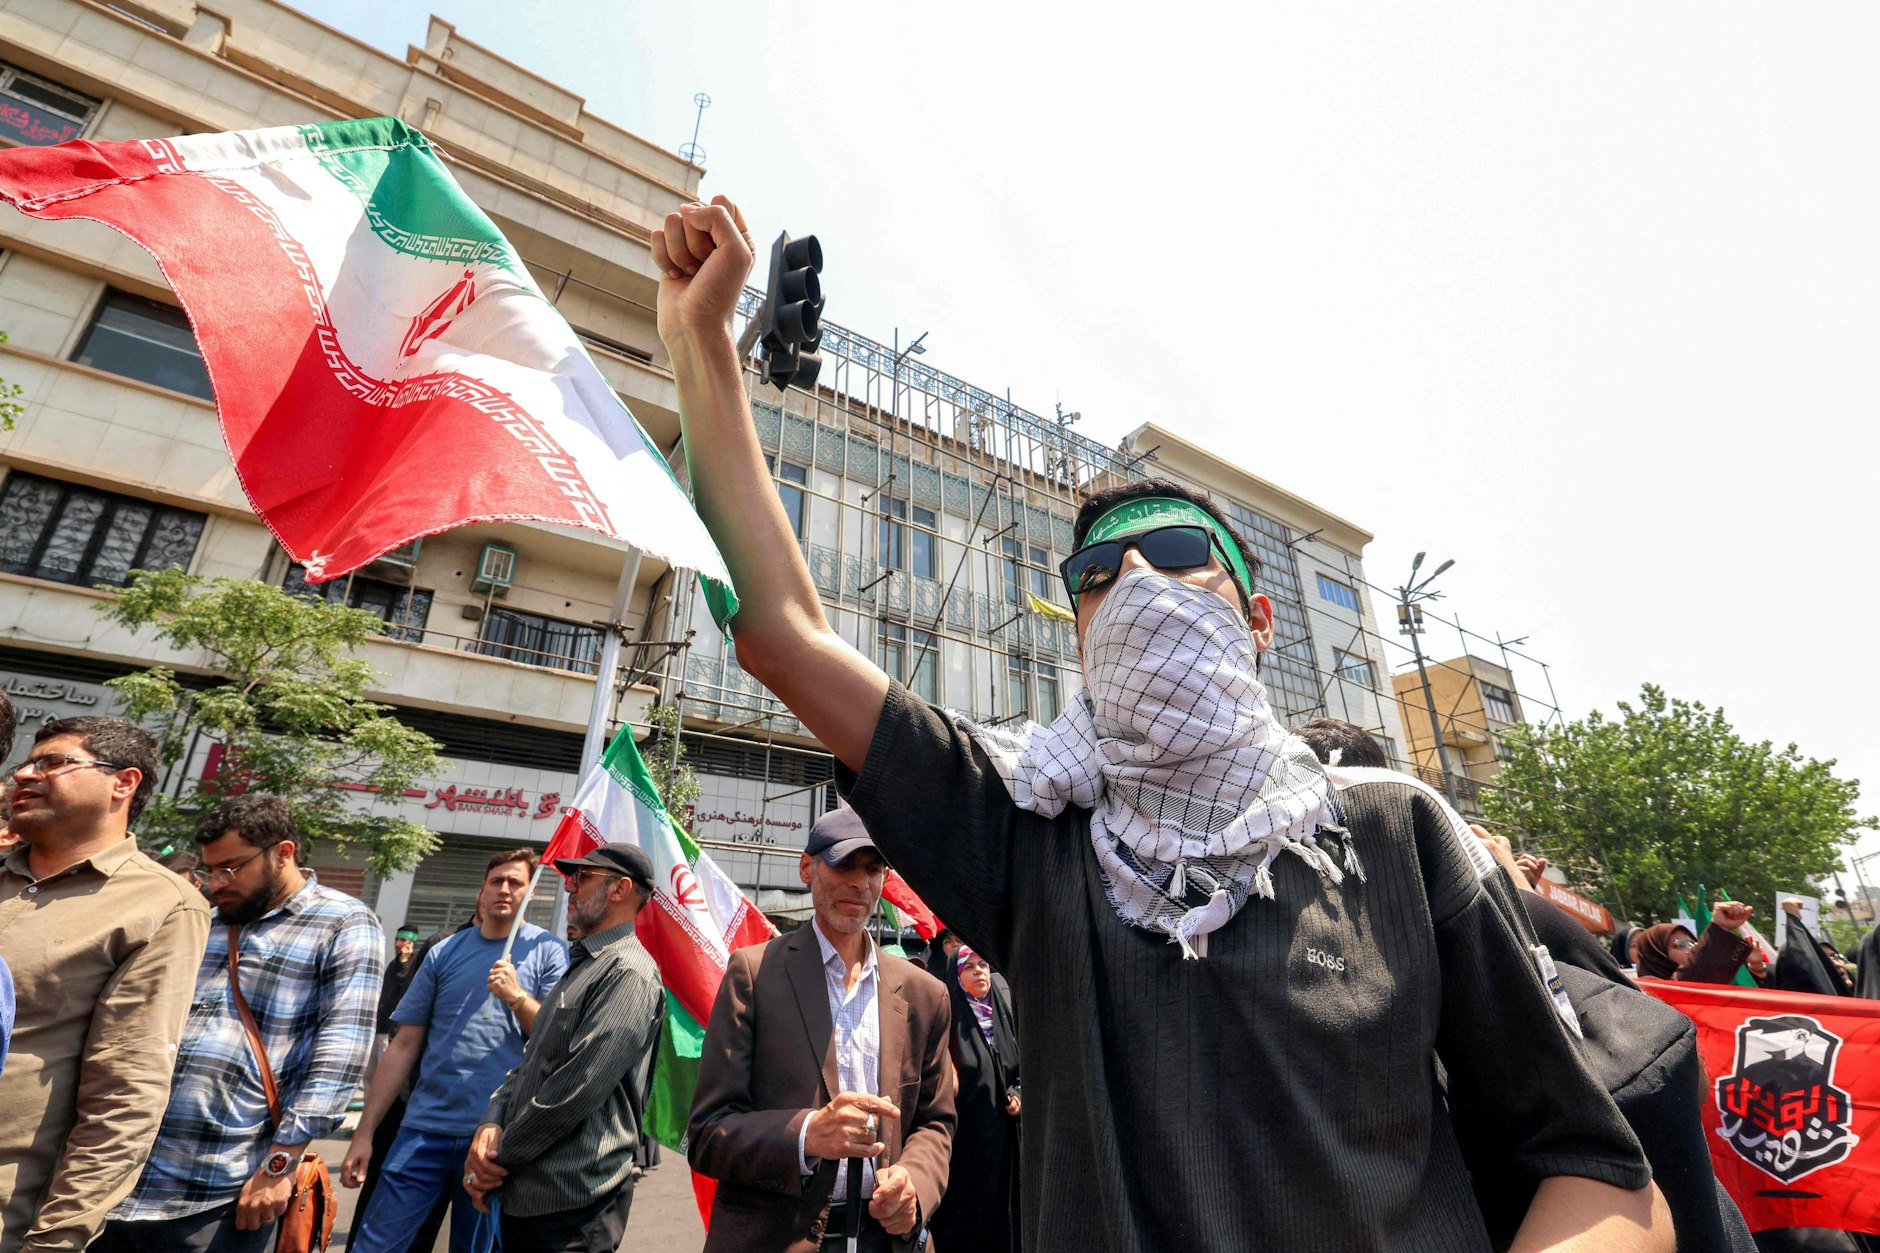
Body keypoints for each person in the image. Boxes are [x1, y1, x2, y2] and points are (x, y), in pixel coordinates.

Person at [651, 195, 1667, 1252]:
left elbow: (1597, 1174)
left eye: (1176, 552)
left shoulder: (1395, 831)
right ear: (1078, 642)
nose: (1134, 576)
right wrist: (700, 343)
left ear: (1258, 617)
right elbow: (779, 634)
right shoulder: (1034, 837)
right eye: (1095, 574)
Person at [94, 794, 382, 1253]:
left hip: (227, 1187)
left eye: (230, 868)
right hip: (125, 1177)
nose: (216, 883)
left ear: (283, 853)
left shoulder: (343, 921)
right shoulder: (203, 920)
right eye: (210, 871)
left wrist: (279, 1165)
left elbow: (342, 1047)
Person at [688, 809, 955, 1252]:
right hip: (778, 1237)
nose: (860, 883)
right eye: (844, 864)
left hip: (888, 1239)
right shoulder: (754, 975)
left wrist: (914, 1184)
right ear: (806, 867)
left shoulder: (926, 995)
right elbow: (708, 1133)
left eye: (873, 869)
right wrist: (807, 1134)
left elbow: (935, 1123)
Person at [0, 715, 210, 1253]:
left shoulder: (160, 904)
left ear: (124, 782)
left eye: (53, 763)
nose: (25, 774)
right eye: (25, 762)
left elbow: (125, 1092)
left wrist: (58, 1238)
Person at [344, 850, 567, 1253]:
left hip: (494, 1137)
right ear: (481, 890)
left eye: (515, 882)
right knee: (374, 1245)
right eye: (496, 880)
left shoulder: (549, 951)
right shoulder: (443, 951)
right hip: (421, 1132)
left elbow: (556, 1041)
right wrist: (365, 1133)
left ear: (530, 893)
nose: (504, 889)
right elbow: (403, 1045)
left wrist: (517, 997)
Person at [462, 844, 665, 1253]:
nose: (570, 887)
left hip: (573, 1207)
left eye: (583, 877)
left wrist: (496, 1157)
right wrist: (491, 1121)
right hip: (526, 1193)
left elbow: (576, 1090)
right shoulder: (584, 965)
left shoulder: (629, 973)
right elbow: (532, 1058)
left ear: (620, 889)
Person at [930, 944, 1020, 1253]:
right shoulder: (949, 1021)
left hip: (1005, 1146)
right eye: (970, 967)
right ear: (957, 976)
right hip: (965, 1146)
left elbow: (1018, 1070)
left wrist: (1017, 1094)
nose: (980, 971)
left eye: (983, 965)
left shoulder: (1002, 1015)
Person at [1634, 907, 1754, 984]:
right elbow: (1682, 992)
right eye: (1680, 944)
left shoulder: (1717, 984)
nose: (1691, 948)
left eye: (1694, 943)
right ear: (1656, 954)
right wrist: (1719, 928)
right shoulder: (1644, 995)